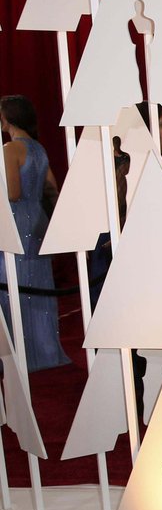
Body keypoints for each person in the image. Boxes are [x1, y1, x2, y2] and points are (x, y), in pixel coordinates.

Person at [0, 95, 71, 372]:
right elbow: (51, 187)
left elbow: (12, 192)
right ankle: (45, 351)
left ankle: (21, 356)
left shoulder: (9, 149)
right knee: (38, 287)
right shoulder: (38, 148)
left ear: (7, 118)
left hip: (16, 223)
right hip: (37, 223)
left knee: (12, 287)